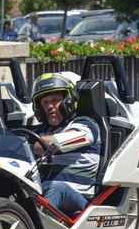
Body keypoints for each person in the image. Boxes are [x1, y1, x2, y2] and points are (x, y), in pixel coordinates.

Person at [30, 72, 100, 213]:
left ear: (68, 101)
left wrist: (24, 145)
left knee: (58, 187)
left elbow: (57, 143)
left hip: (77, 197)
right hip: (41, 192)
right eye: (45, 102)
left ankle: (36, 227)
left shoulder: (85, 125)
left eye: (55, 100)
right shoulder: (37, 132)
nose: (50, 106)